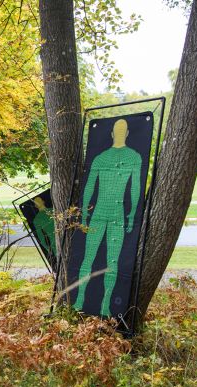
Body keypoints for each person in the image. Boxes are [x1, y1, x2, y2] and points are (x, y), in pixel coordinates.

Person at [73, 118, 141, 317]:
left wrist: (85, 214)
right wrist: (131, 214)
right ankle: (97, 303)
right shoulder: (133, 157)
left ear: (112, 134)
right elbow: (134, 189)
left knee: (91, 259)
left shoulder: (101, 158)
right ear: (126, 134)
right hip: (115, 214)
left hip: (103, 214)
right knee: (110, 261)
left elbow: (89, 189)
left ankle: (88, 302)